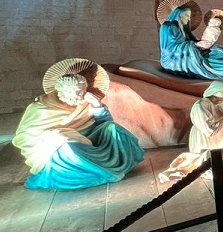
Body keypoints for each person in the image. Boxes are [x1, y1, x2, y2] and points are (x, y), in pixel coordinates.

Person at [12, 59, 145, 190]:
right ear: (59, 90)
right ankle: (90, 172)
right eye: (70, 92)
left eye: (80, 92)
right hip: (64, 144)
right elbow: (25, 137)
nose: (76, 96)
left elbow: (106, 122)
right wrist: (53, 137)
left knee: (113, 129)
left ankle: (120, 163)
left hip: (90, 137)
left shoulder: (85, 102)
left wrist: (97, 104)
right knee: (63, 142)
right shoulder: (41, 108)